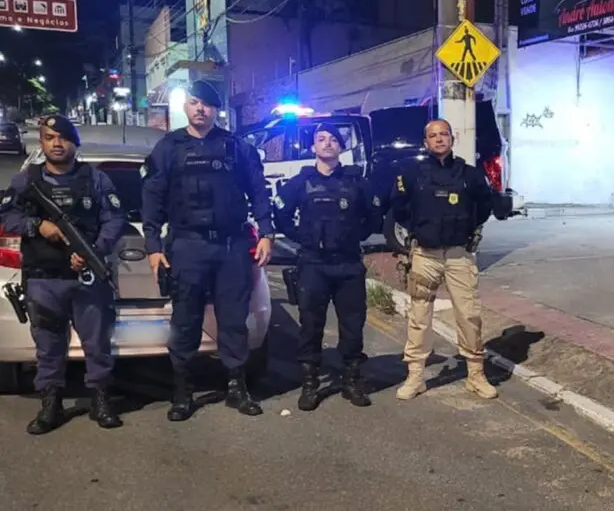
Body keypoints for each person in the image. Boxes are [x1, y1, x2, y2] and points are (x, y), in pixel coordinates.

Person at [141, 80, 274, 421]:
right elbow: (152, 198)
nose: (201, 109)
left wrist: (266, 233)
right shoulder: (168, 148)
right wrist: (153, 246)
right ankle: (182, 392)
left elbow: (258, 191)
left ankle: (237, 388)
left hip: (231, 245)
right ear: (186, 107)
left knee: (234, 320)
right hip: (187, 245)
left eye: (207, 104)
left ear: (216, 110)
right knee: (186, 321)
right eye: (195, 102)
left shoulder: (236, 147)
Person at [0, 115, 126, 434]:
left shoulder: (95, 180)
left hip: (87, 278)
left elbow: (114, 220)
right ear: (42, 142)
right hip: (44, 278)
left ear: (74, 143)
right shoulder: (27, 180)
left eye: (64, 137)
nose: (57, 143)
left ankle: (100, 399)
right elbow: (6, 214)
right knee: (48, 345)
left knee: (97, 342)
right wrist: (37, 225)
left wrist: (93, 251)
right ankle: (51, 403)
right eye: (50, 137)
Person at [390, 119, 500, 401]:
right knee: (419, 316)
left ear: (453, 138)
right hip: (425, 255)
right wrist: (419, 229)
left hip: (459, 255)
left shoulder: (470, 174)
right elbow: (399, 208)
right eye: (433, 135)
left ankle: (475, 375)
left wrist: (466, 229)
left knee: (469, 314)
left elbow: (484, 206)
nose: (439, 139)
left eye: (444, 134)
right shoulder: (411, 174)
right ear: (425, 142)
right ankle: (416, 377)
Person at [273, 123, 379, 410]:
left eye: (333, 139)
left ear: (341, 147)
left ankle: (351, 381)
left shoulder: (356, 181)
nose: (328, 143)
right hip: (313, 264)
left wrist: (355, 236)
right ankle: (310, 384)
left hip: (348, 264)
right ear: (313, 147)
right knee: (310, 325)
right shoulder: (300, 182)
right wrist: (301, 237)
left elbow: (374, 215)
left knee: (352, 326)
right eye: (321, 139)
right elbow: (280, 213)